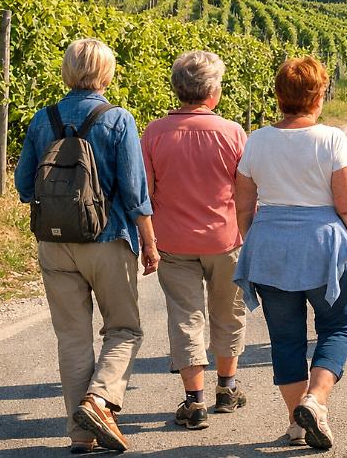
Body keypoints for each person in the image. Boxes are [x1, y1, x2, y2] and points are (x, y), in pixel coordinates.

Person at [14, 38, 158, 454]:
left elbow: (25, 186)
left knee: (72, 338)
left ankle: (80, 435)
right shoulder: (118, 119)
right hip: (108, 239)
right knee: (125, 330)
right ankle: (98, 401)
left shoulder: (44, 119)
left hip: (55, 244)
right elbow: (135, 193)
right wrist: (149, 242)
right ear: (107, 74)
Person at [233, 56, 347, 450]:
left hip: (271, 246)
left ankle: (296, 423)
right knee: (336, 328)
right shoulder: (331, 139)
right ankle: (315, 401)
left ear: (279, 95)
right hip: (323, 248)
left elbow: (244, 206)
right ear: (318, 95)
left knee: (285, 341)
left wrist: (258, 242)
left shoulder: (256, 140)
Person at [141, 51, 248, 431]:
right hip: (226, 238)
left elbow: (146, 194)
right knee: (229, 313)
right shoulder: (233, 132)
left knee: (186, 317)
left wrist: (148, 242)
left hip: (174, 241)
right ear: (213, 92)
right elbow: (245, 191)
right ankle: (227, 387)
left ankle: (195, 401)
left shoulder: (154, 133)